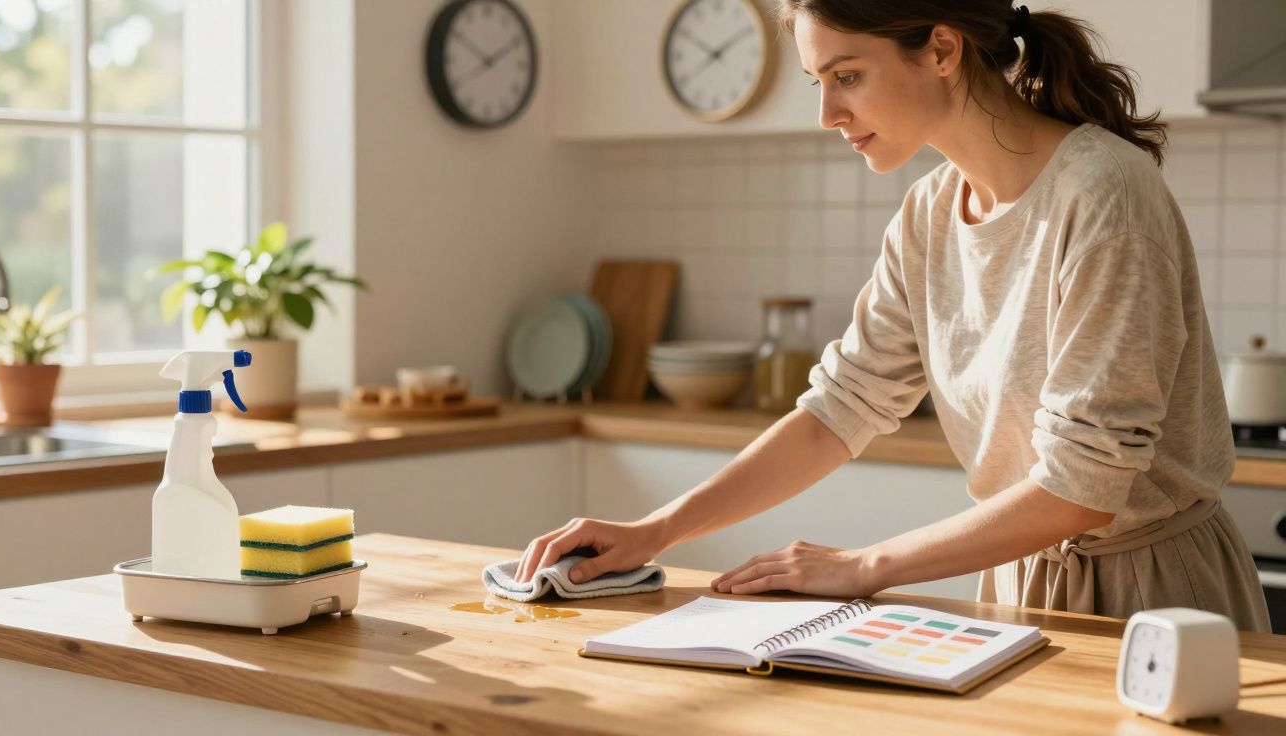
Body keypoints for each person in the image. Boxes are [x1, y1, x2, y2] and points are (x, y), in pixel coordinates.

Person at [516, 1, 1272, 632]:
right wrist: (654, 530)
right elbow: (837, 411)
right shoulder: (929, 213)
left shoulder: (1104, 194)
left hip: (1156, 597)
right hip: (1016, 585)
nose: (826, 113)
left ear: (942, 49)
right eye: (818, 81)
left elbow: (1082, 487)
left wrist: (861, 567)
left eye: (846, 76)